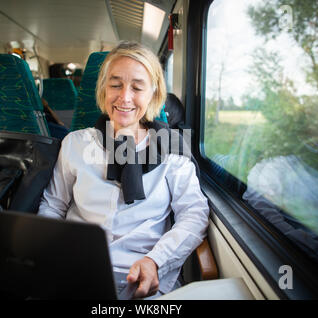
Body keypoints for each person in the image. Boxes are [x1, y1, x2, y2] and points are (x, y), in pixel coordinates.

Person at [38, 41, 209, 298]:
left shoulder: (173, 149)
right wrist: (57, 250)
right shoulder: (75, 143)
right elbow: (53, 205)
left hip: (144, 276)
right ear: (103, 89)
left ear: (154, 93)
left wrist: (156, 261)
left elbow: (194, 214)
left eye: (137, 87)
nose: (124, 97)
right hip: (75, 271)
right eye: (115, 85)